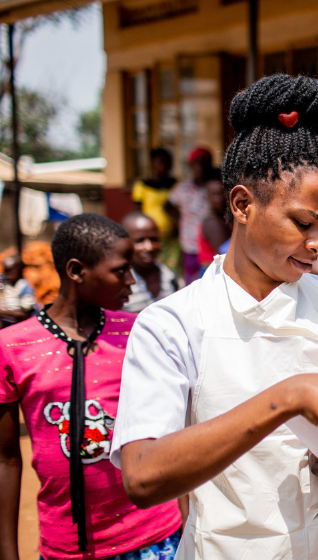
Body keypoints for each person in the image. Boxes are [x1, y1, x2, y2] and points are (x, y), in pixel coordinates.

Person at [109, 74, 318, 560]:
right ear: (242, 205)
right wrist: (287, 397)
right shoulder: (173, 322)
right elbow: (143, 475)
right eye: (303, 223)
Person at [0, 214, 184, 560]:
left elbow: (173, 434)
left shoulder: (138, 332)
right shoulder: (13, 347)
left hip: (155, 537)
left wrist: (187, 523)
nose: (131, 280)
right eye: (120, 270)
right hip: (67, 546)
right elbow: (6, 460)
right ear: (76, 271)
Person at [165, 146, 213, 284]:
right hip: (190, 243)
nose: (201, 167)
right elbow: (167, 206)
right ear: (191, 166)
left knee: (210, 279)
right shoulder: (183, 187)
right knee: (191, 280)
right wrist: (179, 220)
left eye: (204, 162)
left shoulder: (215, 187)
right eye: (197, 163)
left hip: (210, 244)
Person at [121, 212, 180, 313]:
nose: (149, 247)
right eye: (140, 241)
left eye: (154, 239)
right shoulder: (119, 284)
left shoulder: (172, 279)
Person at [131, 148, 178, 238]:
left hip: (172, 234)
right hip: (150, 233)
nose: (163, 166)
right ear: (153, 164)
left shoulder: (176, 185)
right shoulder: (142, 186)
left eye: (166, 163)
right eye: (160, 162)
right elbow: (137, 212)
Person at [197, 173, 231, 272]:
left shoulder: (222, 219)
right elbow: (225, 256)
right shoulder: (213, 224)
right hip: (214, 273)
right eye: (214, 195)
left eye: (221, 193)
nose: (218, 199)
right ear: (207, 197)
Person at [0, 254, 36, 328]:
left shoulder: (24, 287)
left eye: (10, 272)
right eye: (5, 272)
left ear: (20, 271)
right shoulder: (5, 283)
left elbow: (23, 313)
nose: (7, 275)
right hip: (6, 320)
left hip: (20, 322)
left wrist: (3, 312)